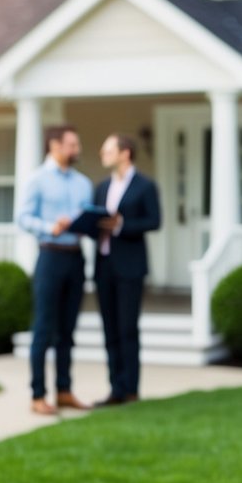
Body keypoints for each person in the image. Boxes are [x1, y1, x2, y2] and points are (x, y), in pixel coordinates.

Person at [16, 124, 93, 415]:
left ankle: (64, 390)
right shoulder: (37, 180)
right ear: (55, 146)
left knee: (67, 331)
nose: (77, 150)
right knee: (44, 329)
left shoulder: (83, 183)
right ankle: (38, 395)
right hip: (49, 257)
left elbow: (86, 215)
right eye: (72, 145)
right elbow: (22, 218)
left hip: (76, 258)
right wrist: (51, 227)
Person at [93, 133, 161, 406]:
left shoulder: (145, 186)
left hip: (130, 267)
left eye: (108, 150)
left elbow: (154, 221)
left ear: (125, 153)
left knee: (127, 328)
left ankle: (131, 389)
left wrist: (121, 225)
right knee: (109, 329)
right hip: (104, 265)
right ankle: (115, 389)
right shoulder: (102, 187)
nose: (103, 155)